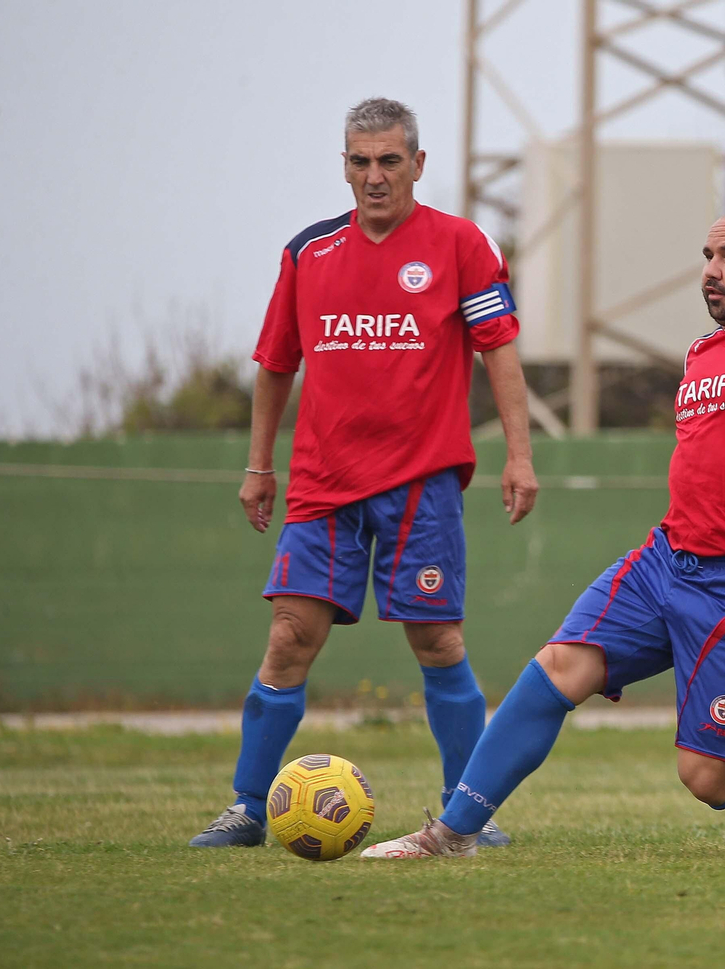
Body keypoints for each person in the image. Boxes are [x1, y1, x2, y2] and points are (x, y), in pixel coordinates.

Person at [359, 209, 725, 859]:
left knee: (709, 778)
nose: (711, 270)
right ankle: (452, 832)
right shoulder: (704, 350)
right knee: (558, 668)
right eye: (708, 255)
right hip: (666, 560)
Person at [189, 98, 538, 849]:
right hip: (323, 484)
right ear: (344, 167)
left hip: (421, 483)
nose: (375, 176)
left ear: (418, 164)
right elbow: (275, 363)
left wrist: (520, 454)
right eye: (360, 161)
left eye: (389, 161)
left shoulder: (460, 244)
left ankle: (468, 811)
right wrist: (259, 466)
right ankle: (248, 807)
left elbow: (498, 349)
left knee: (437, 642)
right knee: (289, 637)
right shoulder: (308, 253)